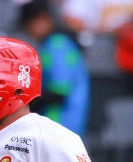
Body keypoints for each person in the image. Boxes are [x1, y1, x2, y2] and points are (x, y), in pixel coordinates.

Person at [19, 0, 91, 136]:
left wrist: (23, 98)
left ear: (44, 19)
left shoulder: (56, 45)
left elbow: (59, 92)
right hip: (66, 124)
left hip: (59, 122)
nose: (27, 30)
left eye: (29, 24)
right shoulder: (59, 42)